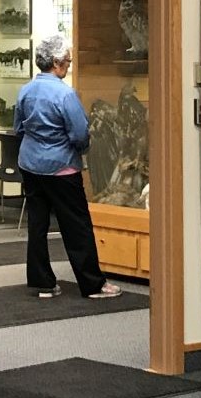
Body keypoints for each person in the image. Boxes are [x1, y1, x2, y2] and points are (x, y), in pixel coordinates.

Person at [14, 34, 122, 299]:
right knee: (77, 226)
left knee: (37, 224)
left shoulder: (25, 90)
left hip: (30, 165)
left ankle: (43, 282)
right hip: (61, 168)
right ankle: (92, 284)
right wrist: (81, 150)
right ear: (56, 62)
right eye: (68, 61)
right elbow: (79, 134)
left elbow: (18, 128)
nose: (69, 65)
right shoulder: (65, 94)